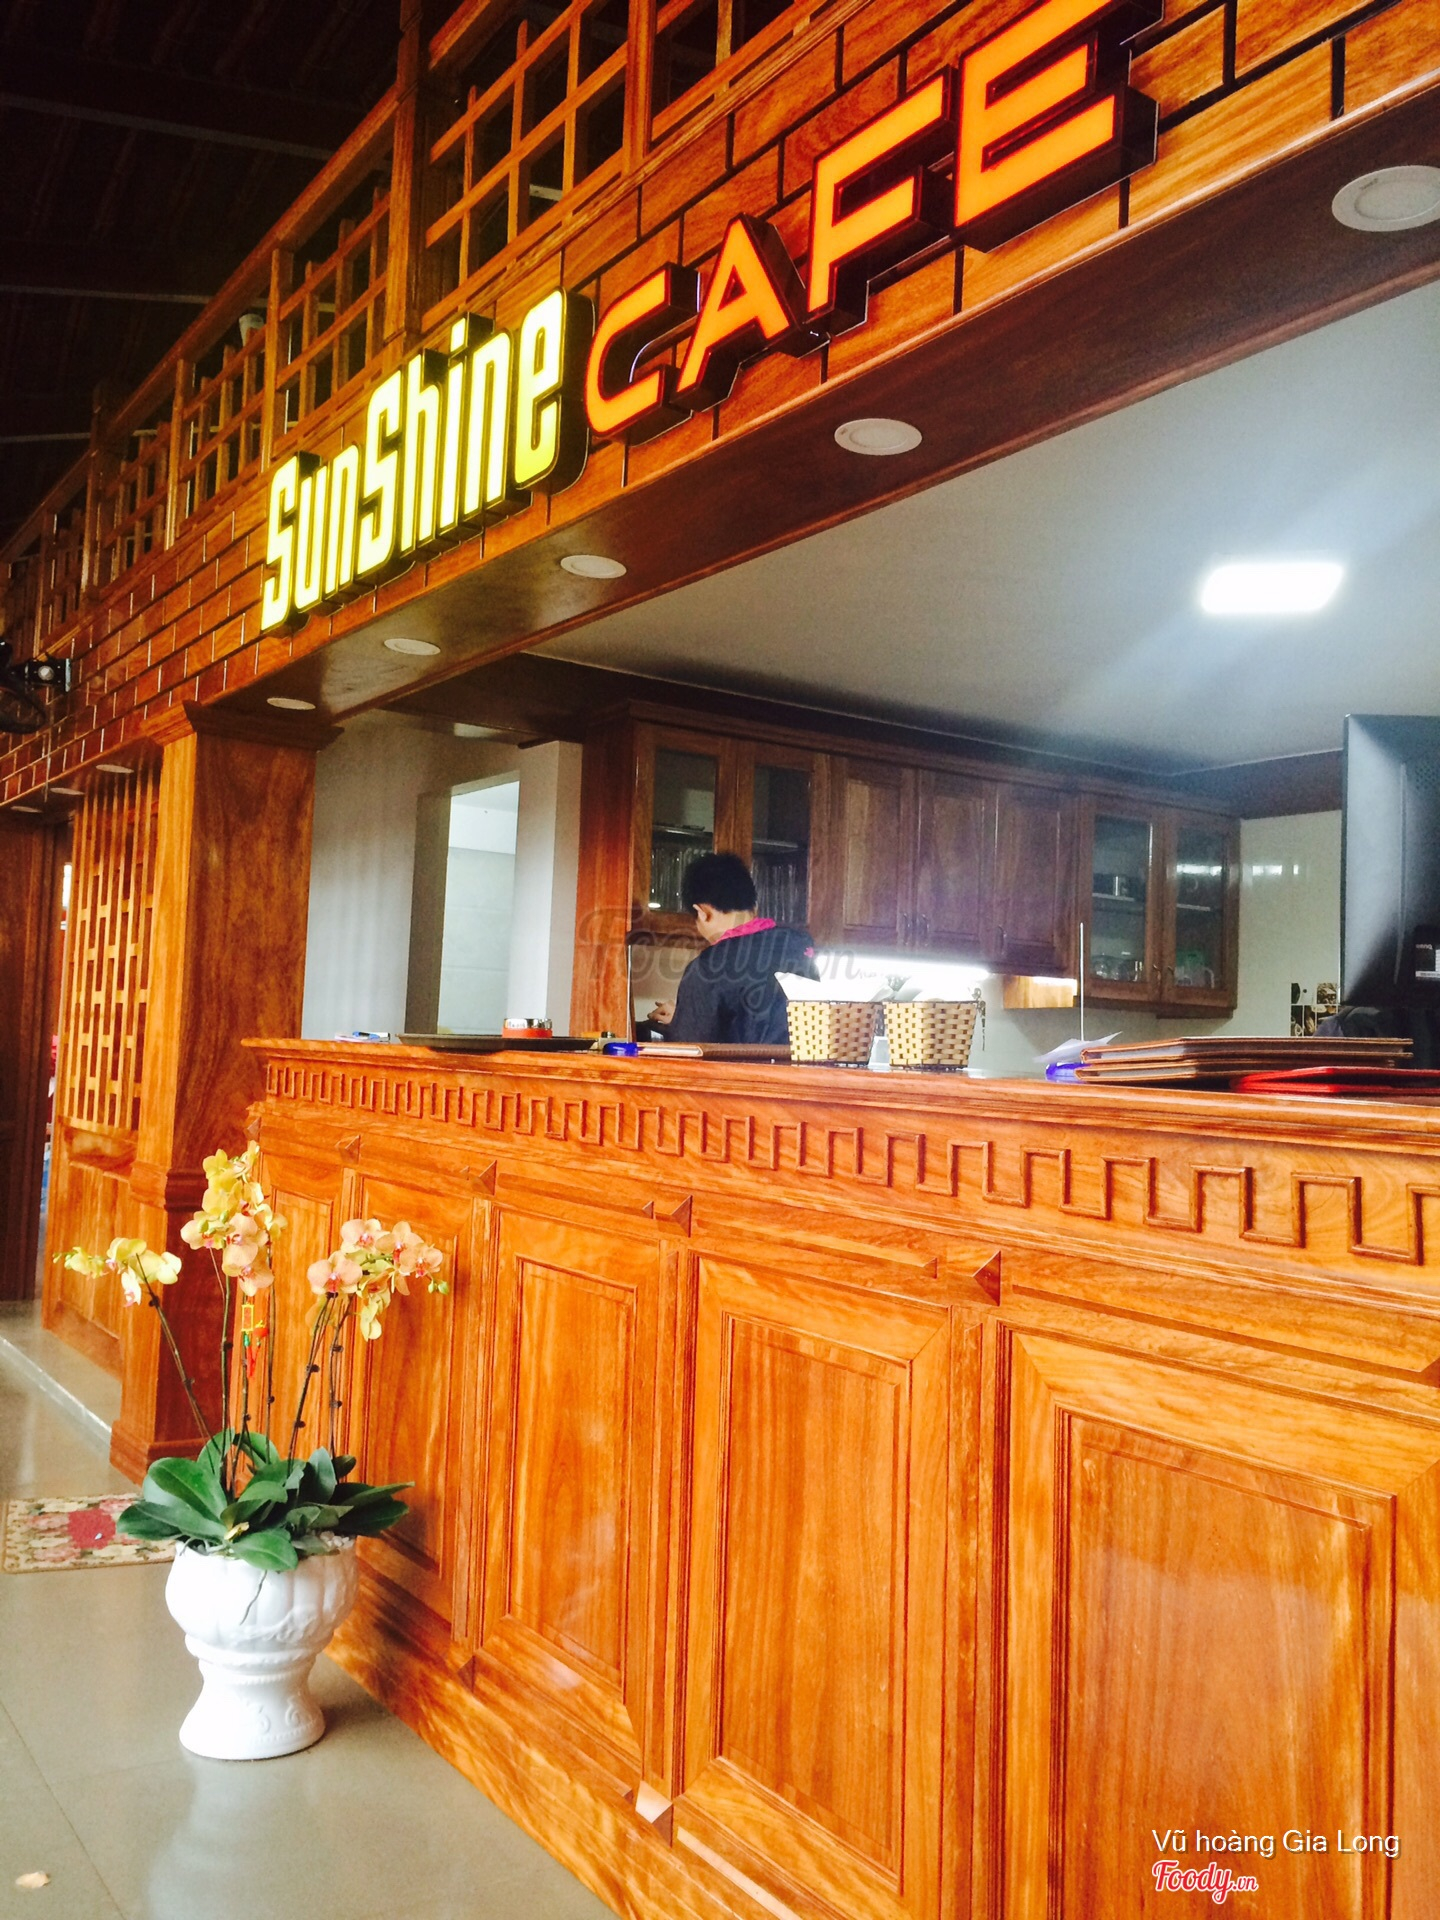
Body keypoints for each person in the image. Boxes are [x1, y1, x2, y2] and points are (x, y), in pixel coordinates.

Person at [648, 852, 818, 1044]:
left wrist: (683, 1023)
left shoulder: (706, 967)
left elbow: (690, 1047)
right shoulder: (799, 945)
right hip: (805, 1064)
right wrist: (683, 1018)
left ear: (702, 912)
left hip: (742, 1066)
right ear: (754, 905)